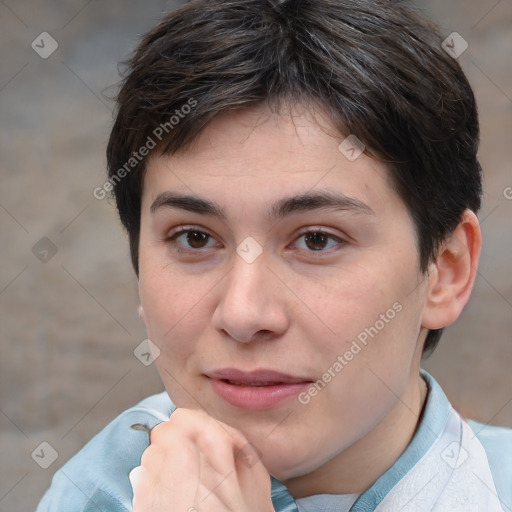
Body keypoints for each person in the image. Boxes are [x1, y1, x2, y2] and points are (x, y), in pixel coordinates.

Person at [36, 0, 512, 510]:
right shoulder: (93, 491)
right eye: (194, 238)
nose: (243, 314)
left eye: (316, 240)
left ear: (445, 270)